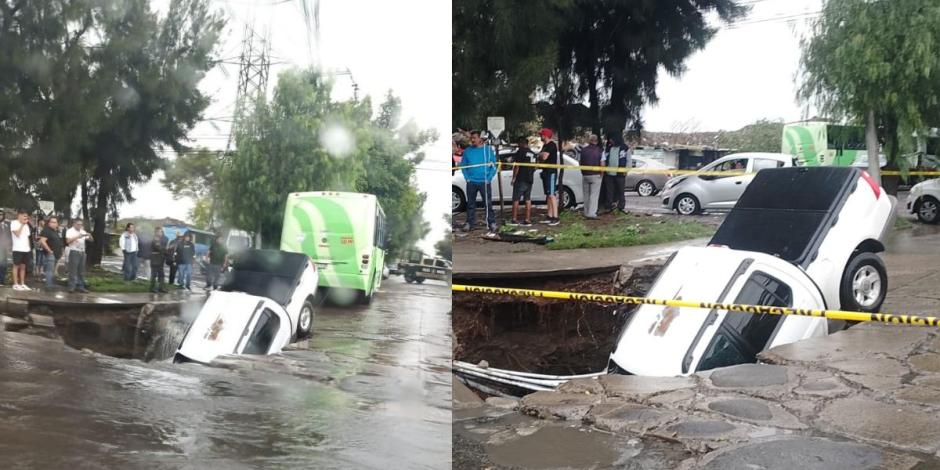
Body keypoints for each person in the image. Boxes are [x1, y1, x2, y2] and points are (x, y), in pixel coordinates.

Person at [460, 130, 498, 232]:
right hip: (471, 182)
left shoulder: (488, 150)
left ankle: (492, 222)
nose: (472, 140)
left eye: (474, 138)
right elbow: (463, 166)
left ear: (480, 139)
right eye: (471, 138)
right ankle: (469, 223)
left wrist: (489, 178)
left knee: (488, 203)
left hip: (484, 182)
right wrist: (467, 177)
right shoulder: (468, 151)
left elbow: (494, 166)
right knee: (470, 204)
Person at [509, 137, 536, 226]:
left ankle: (514, 219)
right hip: (530, 179)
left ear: (521, 143)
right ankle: (527, 219)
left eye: (518, 143)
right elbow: (535, 167)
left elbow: (517, 166)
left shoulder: (520, 152)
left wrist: (514, 178)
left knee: (516, 199)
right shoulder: (533, 153)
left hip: (521, 178)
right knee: (527, 199)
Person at [603, 132, 631, 214]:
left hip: (620, 173)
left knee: (621, 191)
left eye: (612, 139)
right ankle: (609, 206)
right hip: (609, 173)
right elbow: (605, 158)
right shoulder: (608, 148)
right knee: (609, 191)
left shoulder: (625, 148)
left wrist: (626, 170)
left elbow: (629, 160)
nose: (610, 141)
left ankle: (621, 207)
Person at [538, 128, 560, 226]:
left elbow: (544, 157)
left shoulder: (551, 145)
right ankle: (549, 215)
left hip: (551, 172)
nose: (540, 136)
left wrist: (541, 155)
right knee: (548, 195)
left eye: (541, 135)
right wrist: (541, 155)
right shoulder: (545, 145)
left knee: (552, 194)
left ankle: (556, 217)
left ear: (545, 135)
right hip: (545, 172)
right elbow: (540, 156)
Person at [580, 134, 604, 219]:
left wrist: (583, 172)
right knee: (594, 195)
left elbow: (581, 162)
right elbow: (602, 164)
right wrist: (601, 174)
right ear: (596, 141)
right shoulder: (600, 151)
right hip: (596, 175)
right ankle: (592, 213)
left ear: (589, 141)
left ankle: (586, 212)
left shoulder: (583, 150)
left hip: (585, 175)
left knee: (586, 194)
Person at [65, 219, 92, 293]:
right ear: (74, 224)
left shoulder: (83, 231)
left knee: (81, 271)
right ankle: (71, 287)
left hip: (82, 252)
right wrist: (77, 236)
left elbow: (91, 240)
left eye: (81, 224)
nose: (80, 226)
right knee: (73, 271)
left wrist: (89, 235)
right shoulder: (70, 231)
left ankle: (81, 287)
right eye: (78, 224)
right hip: (74, 251)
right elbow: (67, 241)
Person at [38, 216, 63, 289]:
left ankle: (50, 284)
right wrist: (49, 251)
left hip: (55, 254)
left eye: (55, 222)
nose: (53, 224)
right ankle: (48, 285)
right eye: (52, 222)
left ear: (57, 224)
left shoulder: (55, 231)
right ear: (48, 223)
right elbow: (42, 241)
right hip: (50, 254)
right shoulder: (47, 230)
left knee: (51, 270)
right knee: (49, 270)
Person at [10, 210, 32, 291]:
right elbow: (17, 234)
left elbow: (27, 237)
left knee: (23, 267)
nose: (25, 217)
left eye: (26, 216)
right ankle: (15, 284)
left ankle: (22, 284)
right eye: (24, 216)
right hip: (17, 249)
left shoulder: (27, 225)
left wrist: (29, 248)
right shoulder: (14, 223)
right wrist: (22, 224)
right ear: (19, 215)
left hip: (26, 249)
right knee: (16, 266)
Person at [150, 227, 168, 293]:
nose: (161, 233)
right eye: (160, 231)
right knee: (154, 275)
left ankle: (161, 288)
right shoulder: (155, 239)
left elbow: (162, 248)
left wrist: (166, 251)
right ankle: (152, 288)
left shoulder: (160, 239)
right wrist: (167, 250)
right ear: (156, 232)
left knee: (161, 274)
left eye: (161, 231)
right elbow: (159, 248)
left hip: (160, 259)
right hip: (155, 259)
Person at [0, 212, 10, 287]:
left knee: (4, 265)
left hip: (4, 247)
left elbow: (9, 235)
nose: (0, 216)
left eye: (1, 215)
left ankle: (2, 281)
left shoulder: (7, 224)